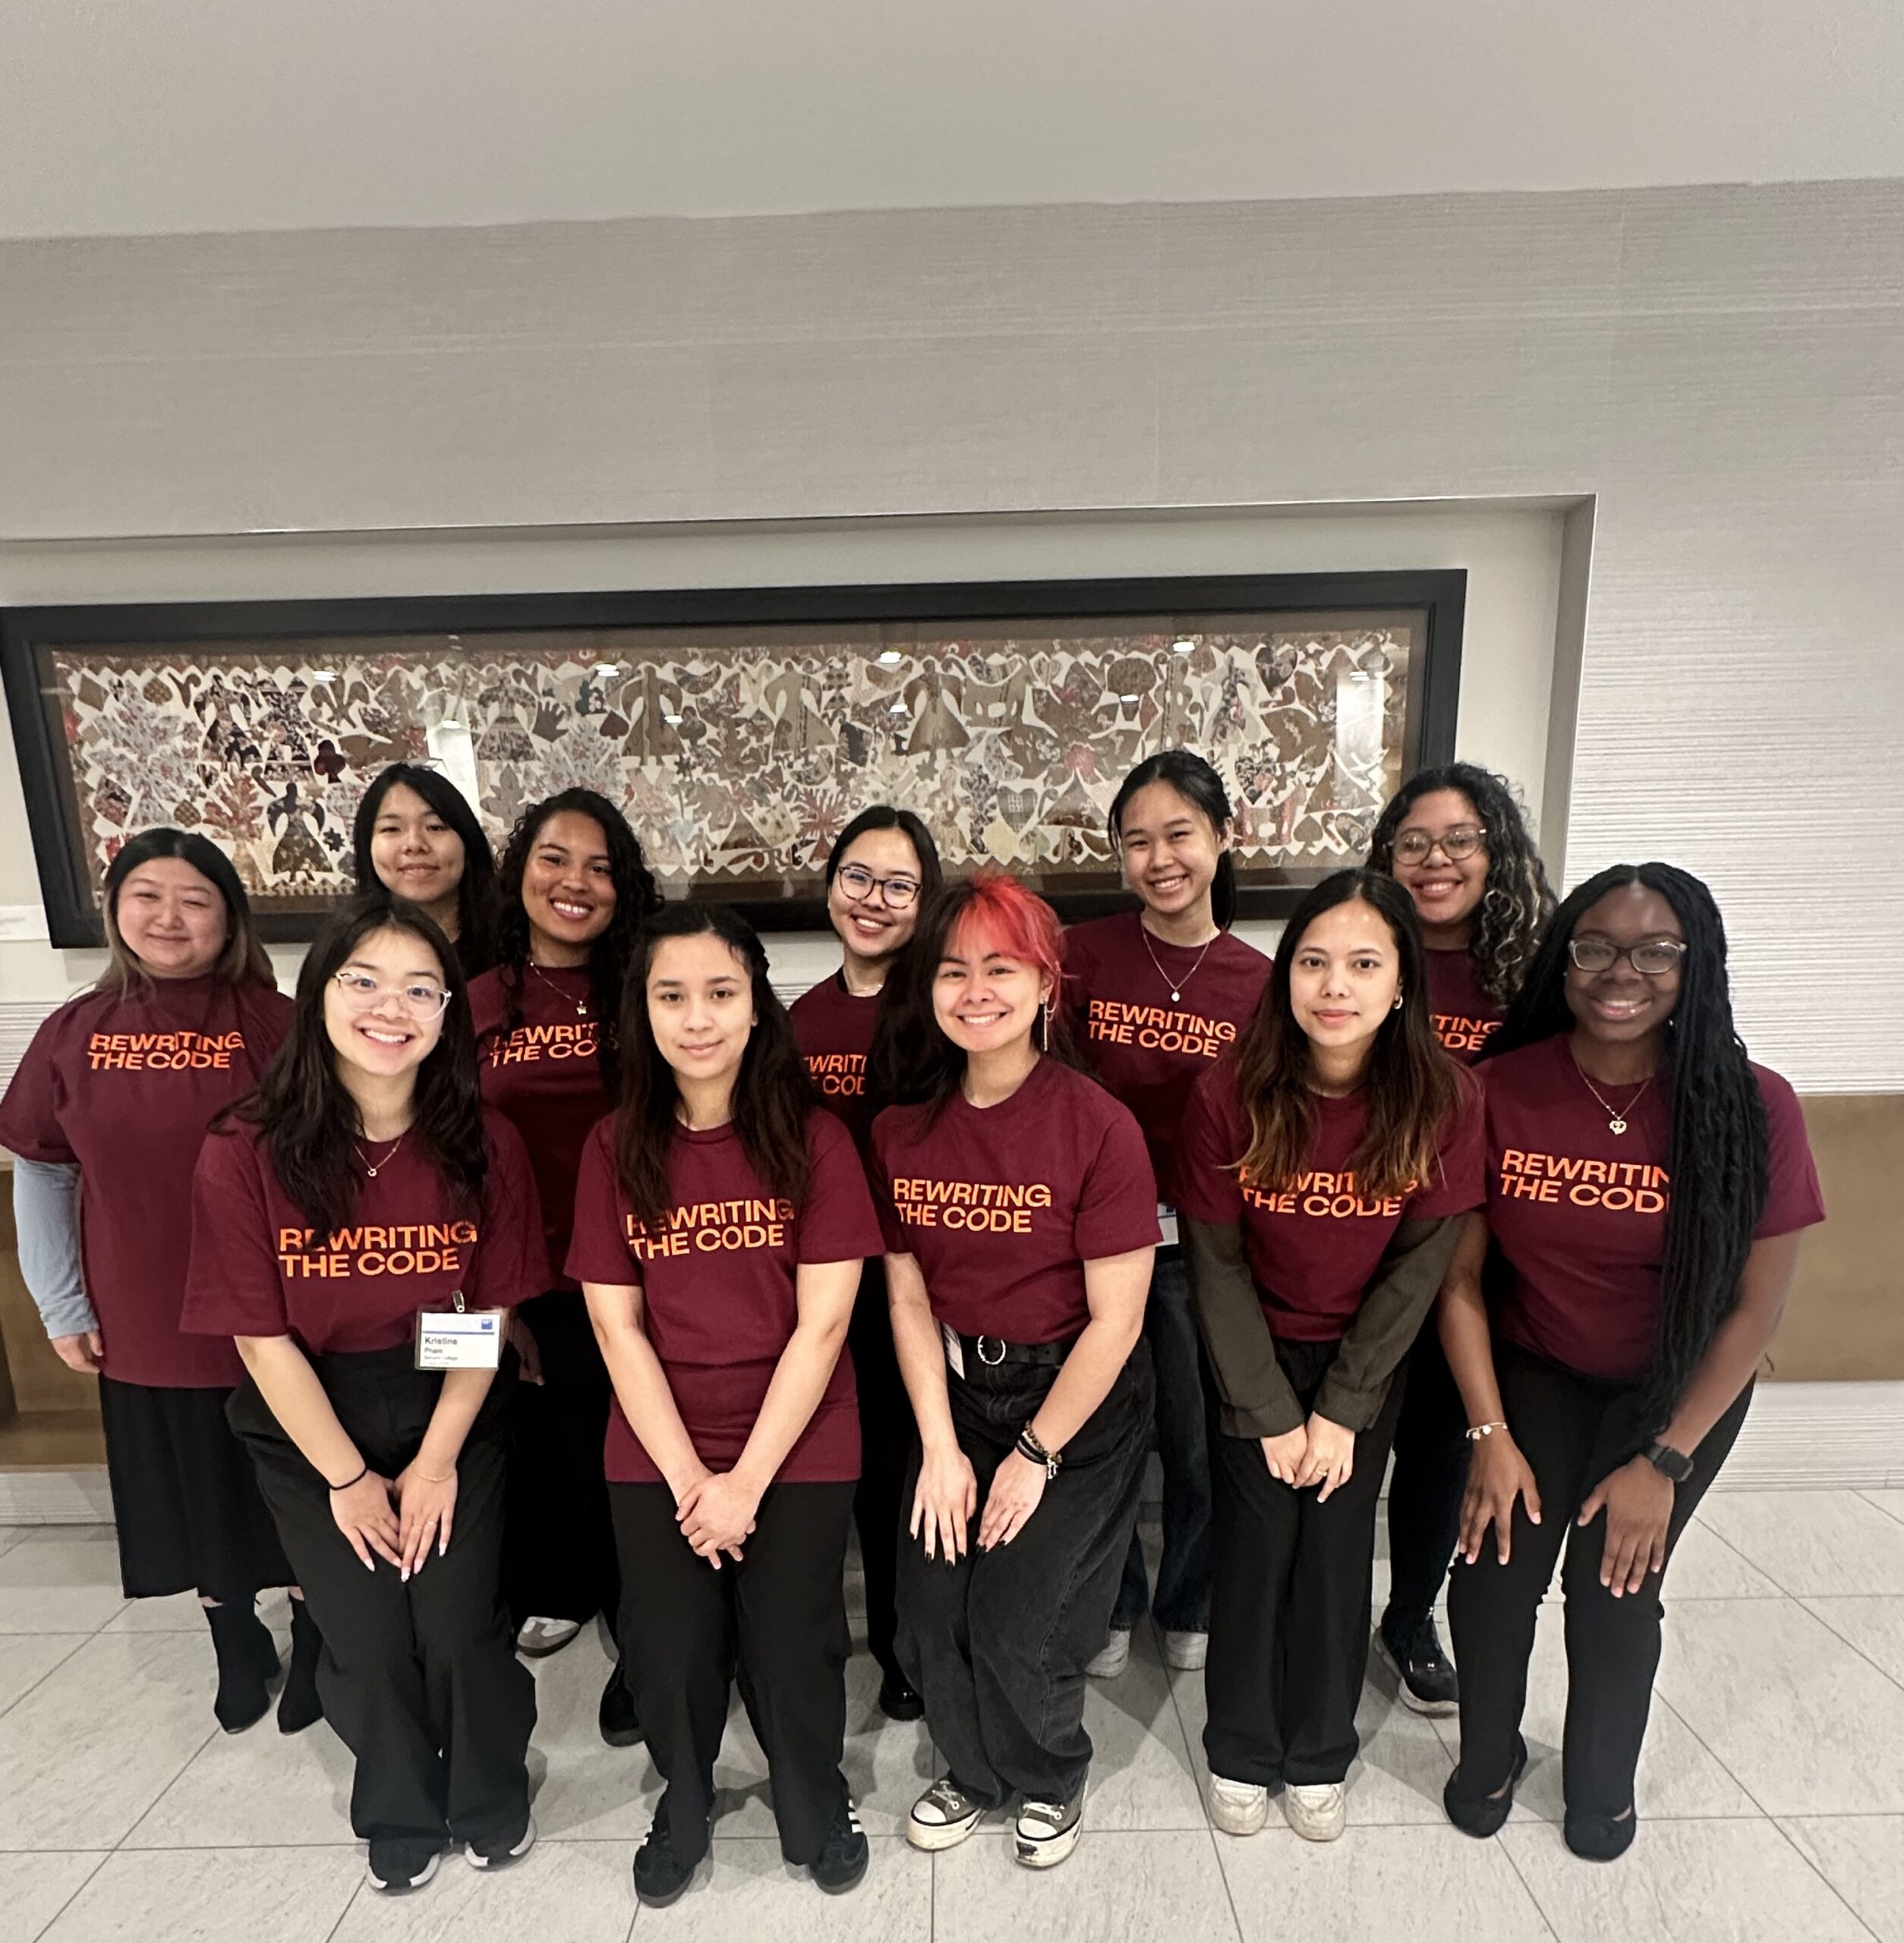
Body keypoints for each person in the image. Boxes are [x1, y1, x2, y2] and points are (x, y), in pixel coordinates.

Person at [1440, 863, 1824, 1860]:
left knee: (1614, 1594)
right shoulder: (1497, 1088)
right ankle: (1487, 1760)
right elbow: (1461, 1281)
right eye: (1599, 946)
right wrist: (1486, 1432)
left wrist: (1664, 1460)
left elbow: (1755, 1309)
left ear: (1694, 966)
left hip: (1676, 1389)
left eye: (1657, 950)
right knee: (1490, 1574)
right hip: (1533, 1374)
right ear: (1565, 962)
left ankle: (1600, 1788)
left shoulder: (1756, 1107)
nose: (1625, 970)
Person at [182, 891, 545, 1895]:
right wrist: (347, 1478)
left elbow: (481, 1319)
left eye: (421, 989)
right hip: (309, 1415)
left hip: (447, 1396)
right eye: (365, 982)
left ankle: (486, 1789)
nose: (393, 1008)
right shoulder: (244, 1149)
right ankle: (395, 1801)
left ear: (446, 1014)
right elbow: (261, 1338)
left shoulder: (484, 1144)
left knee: (458, 1619)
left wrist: (434, 1460)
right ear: (319, 996)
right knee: (369, 1628)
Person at [571, 905, 881, 1905]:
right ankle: (687, 1795)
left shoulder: (818, 1141)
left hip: (798, 1436)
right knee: (665, 1647)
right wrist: (690, 1479)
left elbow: (825, 1325)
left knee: (795, 1643)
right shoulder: (613, 1146)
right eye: (671, 996)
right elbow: (618, 1330)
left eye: (720, 993)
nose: (696, 1017)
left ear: (757, 1009)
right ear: (642, 1013)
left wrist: (742, 1482)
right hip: (661, 1437)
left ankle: (813, 1790)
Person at [1174, 869, 1483, 1843]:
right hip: (1250, 1351)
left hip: (1366, 1360)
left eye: (1362, 963)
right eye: (1313, 961)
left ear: (1401, 984)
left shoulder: (1445, 1095)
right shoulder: (1229, 1088)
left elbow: (1422, 1261)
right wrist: (1268, 1409)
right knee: (1256, 1549)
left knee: (1339, 1552)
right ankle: (1239, 1747)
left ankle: (1317, 1752)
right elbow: (1213, 1260)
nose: (1334, 985)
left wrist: (1344, 1408)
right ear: (1285, 974)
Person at [870, 868, 1158, 1870]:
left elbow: (1118, 1321)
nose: (976, 990)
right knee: (929, 1612)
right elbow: (907, 1300)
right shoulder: (900, 1132)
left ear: (1047, 984)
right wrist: (943, 1449)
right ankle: (973, 1772)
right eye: (953, 971)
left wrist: (1035, 1453)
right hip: (960, 1397)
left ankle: (1046, 1772)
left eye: (1002, 966)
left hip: (1073, 1407)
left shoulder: (1099, 1127)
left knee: (1014, 1620)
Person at [0, 829, 315, 1734]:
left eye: (195, 898)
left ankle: (311, 1626)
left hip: (270, 1308)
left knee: (281, 1477)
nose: (169, 917)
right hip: (140, 1308)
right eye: (148, 894)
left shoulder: (277, 1022)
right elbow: (44, 1168)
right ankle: (233, 1637)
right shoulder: (73, 1029)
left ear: (230, 917)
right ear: (116, 910)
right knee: (189, 1486)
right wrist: (60, 1299)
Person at [1063, 750, 1271, 1679]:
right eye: (1137, 840)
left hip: (1197, 1251)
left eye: (1180, 834)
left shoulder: (1262, 983)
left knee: (1196, 1442)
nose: (1160, 857)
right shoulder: (1082, 952)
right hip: (1090, 1246)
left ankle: (1191, 1597)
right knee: (1098, 1438)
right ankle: (1111, 1600)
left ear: (1224, 839)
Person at [1363, 763, 1555, 1712]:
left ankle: (1410, 1613)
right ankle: (1315, 1605)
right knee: (1354, 1440)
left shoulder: (1536, 975)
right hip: (1363, 1242)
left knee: (1443, 1447)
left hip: (1481, 1254)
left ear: (1496, 853)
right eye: (1414, 843)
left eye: (1459, 840)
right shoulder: (1361, 952)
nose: (1436, 861)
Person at [471, 789, 660, 1749]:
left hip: (646, 1271)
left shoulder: (650, 988)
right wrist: (489, 1292)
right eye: (554, 859)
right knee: (549, 1443)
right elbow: (453, 1153)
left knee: (635, 1456)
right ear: (520, 874)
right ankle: (563, 1587)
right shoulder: (472, 1001)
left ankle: (648, 1638)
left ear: (623, 887)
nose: (574, 883)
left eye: (598, 866)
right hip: (526, 1270)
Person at [788, 805, 944, 1723]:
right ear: (831, 884)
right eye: (858, 876)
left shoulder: (947, 1006)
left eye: (898, 884)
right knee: (835, 1477)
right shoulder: (796, 1020)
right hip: (817, 1292)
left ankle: (905, 1646)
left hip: (918, 1288)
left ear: (925, 901)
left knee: (903, 1476)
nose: (873, 899)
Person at [352, 763, 500, 975]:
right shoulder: (346, 955)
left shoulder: (517, 946)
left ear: (468, 841)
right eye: (392, 828)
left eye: (435, 827)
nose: (414, 844)